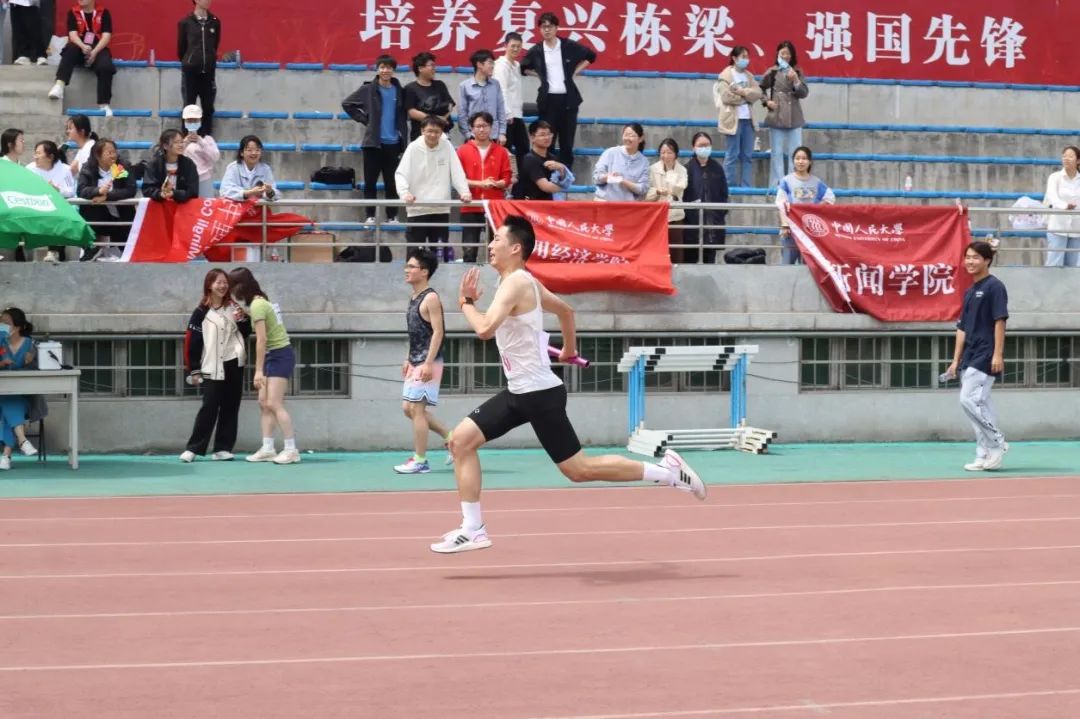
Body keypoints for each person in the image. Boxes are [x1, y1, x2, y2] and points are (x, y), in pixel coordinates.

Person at [430, 215, 707, 553]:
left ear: (515, 248)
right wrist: (569, 350)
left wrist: (465, 303)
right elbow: (566, 312)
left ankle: (667, 471)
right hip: (520, 391)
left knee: (579, 470)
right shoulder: (526, 283)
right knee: (460, 442)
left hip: (538, 395)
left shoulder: (517, 283)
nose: (490, 245)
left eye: (497, 239)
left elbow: (485, 329)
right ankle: (473, 529)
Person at [946, 241, 1009, 472]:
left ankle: (997, 442)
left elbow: (999, 321)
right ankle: (984, 454)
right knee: (980, 404)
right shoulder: (970, 291)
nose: (970, 261)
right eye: (968, 257)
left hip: (985, 353)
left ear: (987, 260)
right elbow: (961, 328)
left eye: (975, 257)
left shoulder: (995, 287)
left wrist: (997, 354)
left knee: (968, 400)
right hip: (970, 354)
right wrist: (956, 360)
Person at [227, 267, 299, 465]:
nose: (231, 292)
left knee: (274, 403)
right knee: (264, 403)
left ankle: (291, 450)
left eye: (232, 287)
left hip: (279, 355)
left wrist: (258, 371)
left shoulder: (258, 305)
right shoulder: (258, 303)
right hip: (273, 355)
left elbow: (262, 339)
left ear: (240, 287)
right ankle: (268, 448)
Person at [181, 269, 251, 463]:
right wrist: (194, 369)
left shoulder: (234, 307)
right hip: (212, 364)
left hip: (234, 362)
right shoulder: (201, 312)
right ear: (209, 285)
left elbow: (246, 332)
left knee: (231, 406)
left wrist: (242, 319)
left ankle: (223, 448)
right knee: (209, 407)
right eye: (218, 282)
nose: (222, 286)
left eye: (225, 282)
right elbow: (192, 341)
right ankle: (193, 448)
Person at [395, 248, 454, 474]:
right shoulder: (413, 297)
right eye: (407, 266)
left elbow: (438, 332)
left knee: (417, 410)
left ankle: (420, 461)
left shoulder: (431, 298)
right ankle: (452, 438)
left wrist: (428, 363)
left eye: (411, 266)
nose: (406, 270)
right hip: (415, 361)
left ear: (424, 271)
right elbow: (416, 333)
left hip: (429, 361)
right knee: (407, 409)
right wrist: (407, 358)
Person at [520, 12, 596, 171]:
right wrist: (540, 75)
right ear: (540, 29)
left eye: (550, 26)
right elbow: (523, 68)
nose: (547, 30)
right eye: (543, 27)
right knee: (547, 140)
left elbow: (591, 55)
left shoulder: (567, 45)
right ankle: (548, 174)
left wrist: (574, 72)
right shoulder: (536, 50)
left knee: (567, 142)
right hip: (547, 101)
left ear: (556, 28)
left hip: (568, 100)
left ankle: (565, 174)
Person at [341, 54, 407, 227]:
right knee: (370, 182)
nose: (385, 70)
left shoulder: (399, 90)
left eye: (389, 67)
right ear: (377, 69)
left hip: (394, 143)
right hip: (373, 144)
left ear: (393, 70)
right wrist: (365, 120)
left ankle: (392, 216)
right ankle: (370, 215)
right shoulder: (368, 89)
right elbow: (347, 104)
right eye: (382, 67)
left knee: (392, 183)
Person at [394, 115, 472, 260]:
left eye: (437, 132)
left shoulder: (447, 146)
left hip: (440, 208)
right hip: (418, 208)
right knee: (414, 253)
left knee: (438, 253)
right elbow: (401, 174)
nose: (433, 135)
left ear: (441, 132)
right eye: (429, 131)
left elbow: (457, 171)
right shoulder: (413, 148)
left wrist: (464, 192)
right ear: (422, 130)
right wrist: (404, 193)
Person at [456, 111, 511, 262]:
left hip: (495, 206)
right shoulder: (462, 150)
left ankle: (496, 277)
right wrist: (480, 184)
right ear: (471, 128)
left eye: (485, 126)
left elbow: (507, 177)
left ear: (491, 127)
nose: (482, 129)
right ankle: (469, 275)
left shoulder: (501, 151)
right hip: (470, 205)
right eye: (478, 126)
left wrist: (498, 184)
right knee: (469, 249)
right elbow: (458, 179)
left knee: (497, 250)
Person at [49, 0, 116, 117]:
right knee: (70, 49)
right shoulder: (73, 12)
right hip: (79, 46)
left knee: (106, 66)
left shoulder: (103, 12)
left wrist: (94, 52)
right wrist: (83, 46)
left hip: (97, 47)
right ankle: (59, 85)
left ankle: (104, 104)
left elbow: (106, 36)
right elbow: (73, 35)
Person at [759, 41, 809, 190]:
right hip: (777, 115)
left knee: (796, 153)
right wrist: (766, 101)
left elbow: (804, 93)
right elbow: (760, 88)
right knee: (777, 153)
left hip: (794, 115)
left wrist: (796, 80)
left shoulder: (797, 71)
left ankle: (794, 185)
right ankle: (777, 186)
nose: (785, 56)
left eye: (788, 53)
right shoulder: (772, 71)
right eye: (782, 53)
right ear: (778, 54)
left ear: (792, 55)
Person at [76, 138, 136, 261]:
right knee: (88, 210)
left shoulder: (122, 166)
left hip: (121, 214)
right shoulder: (88, 168)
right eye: (109, 152)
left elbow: (130, 190)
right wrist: (98, 191)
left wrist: (107, 196)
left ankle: (121, 251)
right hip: (98, 214)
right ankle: (92, 249)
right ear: (97, 155)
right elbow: (81, 190)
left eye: (114, 152)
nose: (113, 155)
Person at [775, 146, 836, 264]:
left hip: (810, 232)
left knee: (808, 266)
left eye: (804, 158)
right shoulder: (786, 181)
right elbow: (781, 203)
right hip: (791, 230)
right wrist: (785, 224)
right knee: (787, 265)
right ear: (793, 161)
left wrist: (815, 209)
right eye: (797, 158)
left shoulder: (817, 182)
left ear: (810, 162)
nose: (801, 161)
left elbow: (830, 198)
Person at [714, 45, 762, 188]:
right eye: (743, 57)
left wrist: (742, 92)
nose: (746, 60)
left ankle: (746, 186)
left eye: (747, 57)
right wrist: (745, 98)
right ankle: (729, 186)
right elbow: (726, 97)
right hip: (732, 120)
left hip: (748, 120)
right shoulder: (725, 76)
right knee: (732, 155)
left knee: (747, 156)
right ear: (734, 58)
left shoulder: (749, 76)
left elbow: (758, 93)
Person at [0, 308, 40, 471]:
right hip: (1, 392)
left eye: (6, 323)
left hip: (23, 395)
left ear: (17, 326)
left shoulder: (30, 344)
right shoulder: (0, 342)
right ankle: (22, 442)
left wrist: (30, 363)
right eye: (1, 322)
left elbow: (40, 370)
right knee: (7, 402)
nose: (2, 326)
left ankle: (6, 455)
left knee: (10, 403)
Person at [682, 132, 728, 264]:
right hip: (692, 225)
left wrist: (719, 213)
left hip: (712, 225)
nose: (704, 148)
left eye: (707, 145)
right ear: (694, 148)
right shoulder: (687, 169)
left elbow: (723, 193)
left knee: (709, 262)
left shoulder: (717, 168)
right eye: (700, 145)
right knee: (690, 261)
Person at [26, 140, 75, 262]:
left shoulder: (64, 169)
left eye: (39, 153)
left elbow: (70, 192)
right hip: (34, 207)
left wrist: (57, 190)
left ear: (51, 156)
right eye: (35, 153)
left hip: (57, 209)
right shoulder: (30, 168)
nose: (35, 157)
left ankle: (56, 252)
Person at [177, 0, 220, 137]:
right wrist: (190, 61)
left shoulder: (215, 22)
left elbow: (215, 45)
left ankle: (206, 138)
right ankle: (187, 138)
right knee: (189, 106)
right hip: (191, 72)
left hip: (208, 72)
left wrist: (209, 60)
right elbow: (181, 48)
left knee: (208, 107)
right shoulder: (185, 22)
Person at [646, 137, 689, 263]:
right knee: (657, 253)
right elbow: (646, 194)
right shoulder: (652, 169)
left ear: (676, 154)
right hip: (657, 217)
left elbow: (680, 188)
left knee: (676, 253)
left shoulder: (682, 170)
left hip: (676, 217)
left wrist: (670, 173)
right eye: (663, 152)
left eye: (670, 152)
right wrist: (657, 191)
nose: (666, 156)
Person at [402, 51, 454, 142]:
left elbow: (450, 105)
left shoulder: (440, 85)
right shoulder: (410, 88)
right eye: (431, 66)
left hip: (441, 133)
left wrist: (443, 119)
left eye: (434, 66)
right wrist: (436, 119)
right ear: (420, 68)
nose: (434, 69)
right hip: (420, 135)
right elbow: (412, 112)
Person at [510, 120, 567, 201]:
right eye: (542, 135)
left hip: (547, 203)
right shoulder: (529, 159)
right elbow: (546, 187)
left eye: (549, 134)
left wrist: (561, 168)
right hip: (530, 204)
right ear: (532, 138)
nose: (547, 138)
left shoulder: (553, 158)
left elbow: (562, 177)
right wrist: (564, 185)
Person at [492, 32, 526, 165]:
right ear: (505, 46)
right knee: (505, 150)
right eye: (513, 46)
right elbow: (502, 91)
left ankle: (520, 177)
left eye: (518, 46)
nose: (516, 49)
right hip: (506, 116)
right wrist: (507, 113)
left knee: (523, 149)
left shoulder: (516, 65)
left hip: (517, 114)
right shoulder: (501, 65)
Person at [592, 123, 649, 202]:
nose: (627, 138)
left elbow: (642, 189)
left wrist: (623, 181)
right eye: (625, 135)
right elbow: (596, 177)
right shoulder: (610, 152)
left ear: (641, 138)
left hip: (628, 206)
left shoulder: (644, 161)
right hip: (605, 202)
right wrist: (607, 176)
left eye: (631, 136)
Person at [458, 49, 506, 143]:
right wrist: (468, 134)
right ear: (479, 64)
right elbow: (462, 113)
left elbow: (501, 109)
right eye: (490, 63)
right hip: (474, 136)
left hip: (493, 135)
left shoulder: (495, 84)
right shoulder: (465, 86)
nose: (492, 66)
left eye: (493, 63)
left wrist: (502, 133)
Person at [1043, 145, 1080, 268]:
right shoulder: (1055, 177)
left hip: (1076, 228)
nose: (1066, 159)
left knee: (1072, 266)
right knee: (1054, 264)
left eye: (1070, 156)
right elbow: (1052, 196)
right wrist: (1065, 206)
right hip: (1058, 226)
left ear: (1078, 160)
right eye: (1064, 156)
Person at [142, 129, 200, 203]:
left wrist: (174, 194)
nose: (180, 145)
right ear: (165, 146)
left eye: (181, 142)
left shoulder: (189, 164)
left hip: (182, 206)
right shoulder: (154, 164)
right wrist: (160, 194)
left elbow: (193, 191)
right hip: (160, 206)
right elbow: (147, 189)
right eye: (176, 142)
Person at [219, 135, 279, 201]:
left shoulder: (266, 169)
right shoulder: (233, 168)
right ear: (241, 153)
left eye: (257, 150)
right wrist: (249, 193)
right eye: (249, 150)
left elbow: (276, 194)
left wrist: (269, 192)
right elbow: (225, 191)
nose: (254, 153)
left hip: (259, 207)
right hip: (238, 207)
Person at [179, 104, 220, 198]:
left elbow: (215, 157)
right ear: (184, 122)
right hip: (183, 179)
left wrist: (201, 143)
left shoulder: (207, 139)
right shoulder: (179, 140)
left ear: (200, 121)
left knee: (205, 204)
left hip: (203, 178)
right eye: (189, 120)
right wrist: (184, 143)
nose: (192, 123)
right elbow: (173, 156)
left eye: (195, 120)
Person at [9, 0, 47, 66]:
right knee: (18, 28)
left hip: (31, 3)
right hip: (15, 3)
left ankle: (40, 55)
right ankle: (24, 54)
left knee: (34, 27)